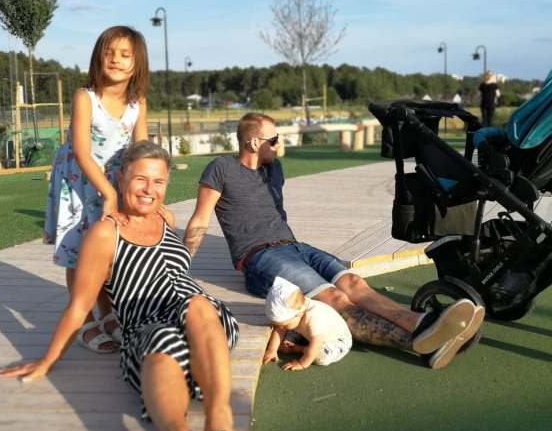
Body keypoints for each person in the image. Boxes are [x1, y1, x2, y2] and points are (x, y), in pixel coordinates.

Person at [0, 141, 245, 431]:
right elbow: (79, 305)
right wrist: (47, 360)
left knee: (197, 305)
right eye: (141, 179)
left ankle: (218, 427)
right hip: (145, 329)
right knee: (161, 342)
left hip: (204, 323)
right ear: (120, 179)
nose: (149, 189)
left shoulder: (166, 218)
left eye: (158, 181)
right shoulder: (105, 234)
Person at [183, 112, 485, 370]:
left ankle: (420, 323)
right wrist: (181, 268)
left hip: (295, 246)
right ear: (252, 143)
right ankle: (419, 339)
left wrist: (273, 155)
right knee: (334, 299)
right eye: (274, 140)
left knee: (354, 282)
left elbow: (276, 211)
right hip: (260, 257)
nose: (279, 144)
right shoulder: (221, 169)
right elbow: (199, 220)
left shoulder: (273, 169)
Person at [44, 25, 149, 353]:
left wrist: (147, 189)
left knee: (106, 253)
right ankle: (85, 320)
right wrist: (109, 193)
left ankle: (107, 313)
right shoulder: (85, 97)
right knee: (78, 252)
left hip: (113, 183)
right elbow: (81, 150)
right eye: (109, 52)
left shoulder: (137, 104)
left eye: (125, 54)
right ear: (97, 57)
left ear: (137, 62)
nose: (115, 59)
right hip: (80, 182)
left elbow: (142, 150)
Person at [262, 276, 352, 371]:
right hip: (309, 332)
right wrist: (272, 350)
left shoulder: (314, 318)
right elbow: (280, 328)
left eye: (284, 324)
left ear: (298, 314)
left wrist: (301, 363)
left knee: (322, 356)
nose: (281, 327)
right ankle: (292, 343)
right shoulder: (296, 313)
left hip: (337, 340)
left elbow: (316, 344)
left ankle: (300, 348)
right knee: (289, 329)